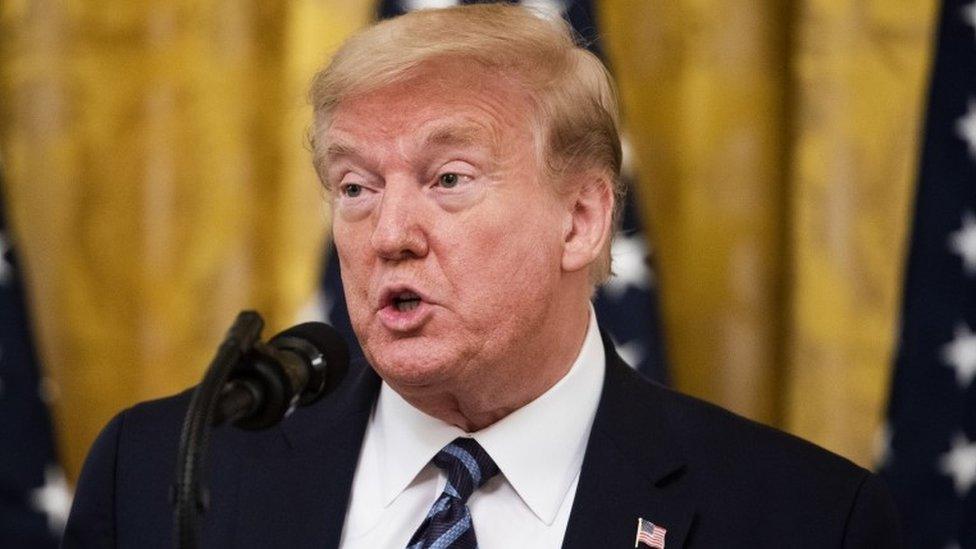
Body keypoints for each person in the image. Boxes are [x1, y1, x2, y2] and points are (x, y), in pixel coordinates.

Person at [63, 4, 902, 548]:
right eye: (355, 187)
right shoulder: (161, 474)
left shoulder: (804, 521)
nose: (389, 233)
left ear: (581, 219)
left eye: (448, 179)